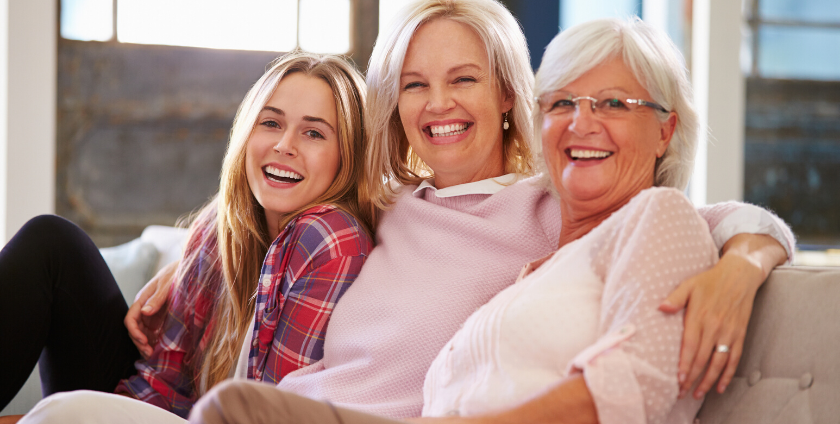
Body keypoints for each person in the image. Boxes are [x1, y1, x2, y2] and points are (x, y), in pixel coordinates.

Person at [16, 0, 793, 423]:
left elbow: (681, 210)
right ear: (395, 105)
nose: (438, 104)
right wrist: (189, 247)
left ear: (506, 96)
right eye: (416, 84)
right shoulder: (384, 206)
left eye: (463, 80)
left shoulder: (549, 204)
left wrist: (748, 258)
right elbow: (277, 193)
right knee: (54, 259)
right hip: (273, 414)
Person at [0, 51, 373, 422]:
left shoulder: (329, 239)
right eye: (271, 123)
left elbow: (272, 412)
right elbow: (163, 380)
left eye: (313, 132)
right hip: (169, 407)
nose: (284, 145)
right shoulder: (223, 223)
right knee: (51, 243)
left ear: (348, 154)